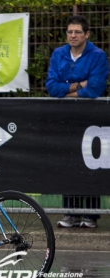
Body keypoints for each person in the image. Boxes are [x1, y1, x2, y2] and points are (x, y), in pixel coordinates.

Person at [46, 15, 109, 228]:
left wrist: (67, 90)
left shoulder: (98, 56)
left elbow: (96, 89)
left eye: (78, 32)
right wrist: (79, 85)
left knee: (90, 164)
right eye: (70, 32)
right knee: (68, 162)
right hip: (65, 118)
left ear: (87, 34)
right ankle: (71, 212)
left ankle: (91, 215)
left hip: (91, 117)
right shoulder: (58, 54)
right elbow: (52, 88)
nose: (73, 36)